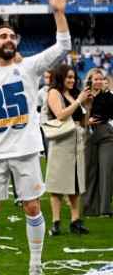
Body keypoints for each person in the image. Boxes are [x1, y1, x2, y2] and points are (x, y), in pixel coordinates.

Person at [0, 0, 72, 275]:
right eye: (2, 35)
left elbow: (63, 47)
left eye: (12, 35)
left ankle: (35, 266)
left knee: (33, 207)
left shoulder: (29, 67)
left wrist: (58, 13)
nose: (8, 39)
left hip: (25, 149)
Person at [43, 63, 91, 235]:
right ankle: (56, 223)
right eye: (69, 77)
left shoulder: (75, 94)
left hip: (77, 140)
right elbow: (61, 115)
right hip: (61, 141)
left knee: (75, 183)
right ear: (61, 77)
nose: (72, 80)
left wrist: (87, 104)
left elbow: (84, 121)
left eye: (73, 77)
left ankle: (75, 221)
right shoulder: (54, 92)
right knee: (57, 184)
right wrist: (78, 101)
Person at [83, 68, 113, 217]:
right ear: (90, 80)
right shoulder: (84, 96)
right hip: (87, 137)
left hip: (106, 135)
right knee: (90, 172)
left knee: (106, 171)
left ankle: (105, 209)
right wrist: (86, 120)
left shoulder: (108, 96)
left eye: (101, 79)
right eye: (96, 79)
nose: (99, 81)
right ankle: (89, 208)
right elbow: (77, 115)